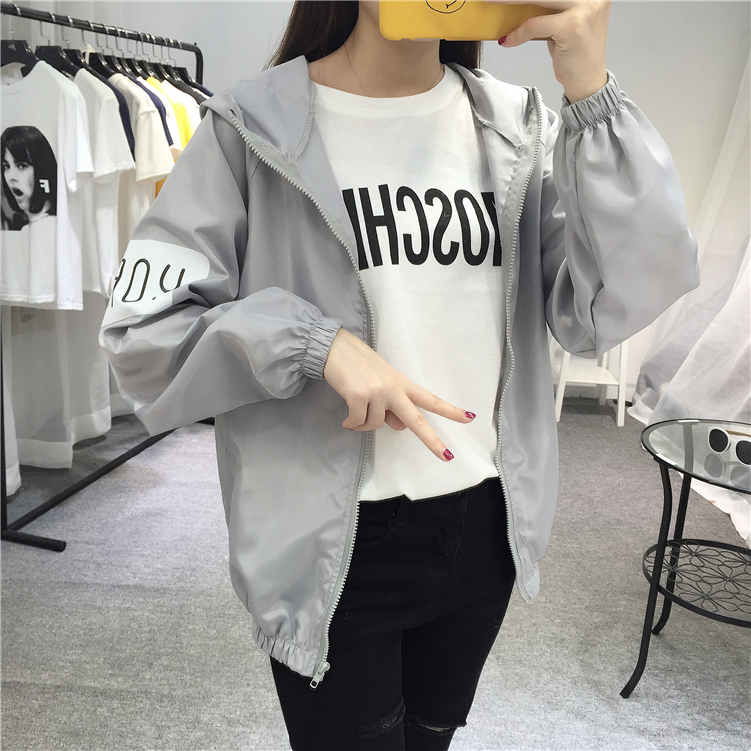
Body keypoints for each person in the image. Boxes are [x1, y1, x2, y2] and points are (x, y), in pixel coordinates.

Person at [100, 1, 699, 748]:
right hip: (332, 542)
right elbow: (142, 333)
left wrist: (591, 93)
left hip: (484, 527)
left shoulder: (518, 128)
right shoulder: (248, 130)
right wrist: (314, 342)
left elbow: (614, 300)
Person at [1, 125, 57, 231]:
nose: (11, 177)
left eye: (22, 166)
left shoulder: (46, 226)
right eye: (6, 166)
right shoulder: (31, 227)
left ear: (42, 169)